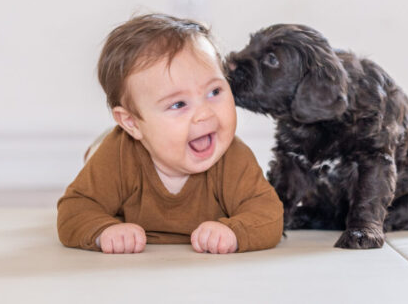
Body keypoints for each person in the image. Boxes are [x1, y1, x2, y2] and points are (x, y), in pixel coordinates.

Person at [57, 13, 283, 254]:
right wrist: (103, 232)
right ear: (131, 122)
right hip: (120, 146)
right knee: (100, 158)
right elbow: (75, 210)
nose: (204, 114)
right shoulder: (119, 155)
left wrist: (234, 231)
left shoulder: (233, 158)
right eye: (178, 105)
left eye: (215, 91)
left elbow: (268, 213)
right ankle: (97, 147)